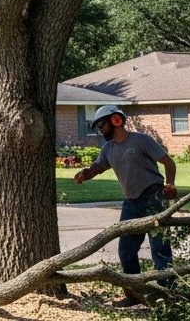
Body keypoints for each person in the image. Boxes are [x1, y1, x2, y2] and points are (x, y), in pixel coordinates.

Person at [74, 105, 178, 307]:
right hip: (131, 202)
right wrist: (86, 174)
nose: (100, 130)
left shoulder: (141, 140)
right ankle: (134, 295)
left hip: (154, 196)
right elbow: (98, 167)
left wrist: (170, 184)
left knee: (160, 248)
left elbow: (169, 162)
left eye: (101, 125)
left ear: (115, 120)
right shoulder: (108, 148)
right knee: (126, 251)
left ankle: (169, 297)